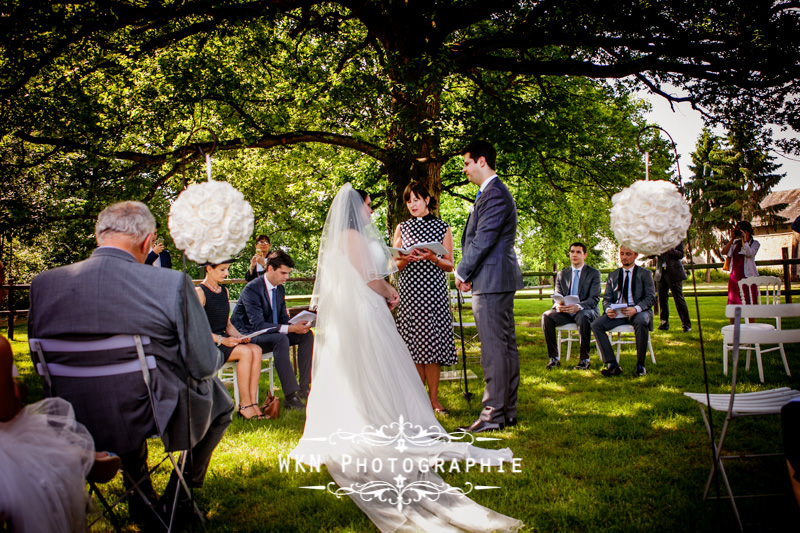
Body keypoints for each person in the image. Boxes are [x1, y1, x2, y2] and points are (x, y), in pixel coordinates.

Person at [290, 183, 522, 532]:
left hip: (359, 310)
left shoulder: (350, 234)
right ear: (357, 209)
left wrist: (395, 281)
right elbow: (369, 277)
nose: (370, 211)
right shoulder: (353, 236)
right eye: (368, 206)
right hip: (364, 309)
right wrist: (390, 290)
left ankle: (369, 410)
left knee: (360, 368)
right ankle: (371, 417)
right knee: (374, 364)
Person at [27, 201, 233, 524]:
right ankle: (177, 498)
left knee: (125, 392)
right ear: (149, 242)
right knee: (221, 401)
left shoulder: (43, 285)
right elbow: (205, 364)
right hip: (146, 410)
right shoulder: (170, 284)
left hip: (73, 412)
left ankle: (141, 495)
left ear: (99, 237)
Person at [454, 140, 524, 434]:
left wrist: (461, 270)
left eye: (467, 163)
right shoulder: (490, 193)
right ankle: (506, 410)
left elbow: (483, 240)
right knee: (504, 347)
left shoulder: (494, 193)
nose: (465, 169)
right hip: (493, 278)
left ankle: (493, 413)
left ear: (481, 161)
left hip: (492, 281)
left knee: (494, 349)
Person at [392, 182, 457, 414]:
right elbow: (394, 263)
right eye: (408, 201)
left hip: (433, 295)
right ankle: (417, 400)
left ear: (427, 200)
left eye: (416, 200)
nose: (412, 205)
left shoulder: (442, 227)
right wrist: (405, 259)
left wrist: (432, 257)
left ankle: (434, 400)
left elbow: (449, 265)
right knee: (413, 348)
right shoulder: (402, 227)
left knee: (432, 349)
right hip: (410, 294)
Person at [231, 250, 312, 410]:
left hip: (271, 334)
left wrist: (296, 325)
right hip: (249, 336)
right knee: (281, 339)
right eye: (283, 273)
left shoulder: (279, 289)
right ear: (270, 269)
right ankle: (290, 397)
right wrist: (290, 328)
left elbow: (282, 321)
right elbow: (258, 325)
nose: (286, 277)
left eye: (288, 273)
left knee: (306, 335)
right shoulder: (252, 289)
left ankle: (304, 388)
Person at [196, 259, 266, 420]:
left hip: (224, 340)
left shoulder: (224, 292)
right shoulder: (199, 292)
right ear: (208, 268)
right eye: (222, 270)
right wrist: (221, 340)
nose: (226, 274)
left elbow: (227, 324)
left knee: (256, 349)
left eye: (227, 269)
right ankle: (245, 405)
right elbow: (195, 328)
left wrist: (240, 337)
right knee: (246, 354)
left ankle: (253, 403)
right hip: (208, 344)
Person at [591, 245, 656, 377]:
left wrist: (636, 309)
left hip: (638, 311)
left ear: (636, 255)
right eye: (622, 254)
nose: (624, 257)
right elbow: (607, 298)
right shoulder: (613, 275)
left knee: (642, 321)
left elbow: (650, 298)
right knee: (596, 325)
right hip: (618, 312)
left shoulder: (645, 274)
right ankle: (612, 364)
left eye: (628, 254)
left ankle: (640, 365)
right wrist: (608, 309)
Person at [541, 242, 601, 370]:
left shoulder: (593, 273)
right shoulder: (562, 274)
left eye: (578, 252)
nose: (574, 255)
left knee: (582, 316)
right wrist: (558, 305)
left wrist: (578, 306)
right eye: (572, 252)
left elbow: (594, 299)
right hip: (566, 312)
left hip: (586, 311)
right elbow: (557, 296)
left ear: (585, 255)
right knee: (547, 316)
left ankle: (584, 360)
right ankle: (554, 359)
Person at [721, 220, 760, 312]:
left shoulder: (755, 243)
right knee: (733, 305)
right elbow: (723, 252)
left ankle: (751, 324)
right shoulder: (734, 243)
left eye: (741, 230)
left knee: (750, 304)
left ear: (747, 231)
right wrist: (731, 239)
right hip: (735, 277)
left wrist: (745, 241)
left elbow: (750, 253)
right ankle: (734, 325)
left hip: (748, 276)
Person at [653, 242, 692, 332]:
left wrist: (667, 249)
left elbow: (680, 254)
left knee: (678, 299)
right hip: (660, 273)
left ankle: (686, 325)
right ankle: (664, 323)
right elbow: (650, 255)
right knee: (662, 299)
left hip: (674, 272)